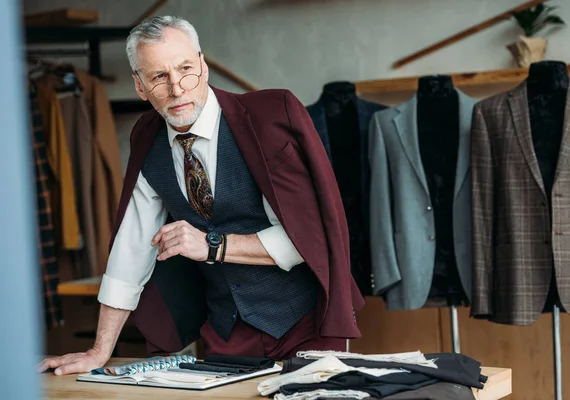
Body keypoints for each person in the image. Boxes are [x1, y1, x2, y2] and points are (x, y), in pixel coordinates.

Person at [38, 16, 364, 376]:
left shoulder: (271, 118)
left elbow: (305, 239)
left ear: (203, 67)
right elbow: (130, 252)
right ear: (140, 87)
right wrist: (99, 351)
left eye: (185, 69)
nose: (177, 89)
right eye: (159, 76)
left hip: (306, 322)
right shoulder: (146, 138)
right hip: (226, 331)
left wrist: (212, 246)